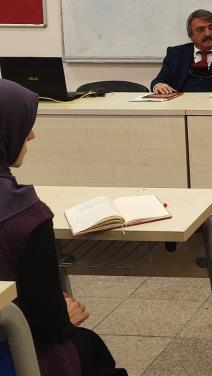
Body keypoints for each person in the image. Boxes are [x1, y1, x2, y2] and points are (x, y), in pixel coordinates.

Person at [0, 79, 127, 376]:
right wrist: (65, 318)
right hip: (16, 352)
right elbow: (47, 327)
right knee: (90, 346)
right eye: (25, 126)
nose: (32, 135)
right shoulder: (25, 217)